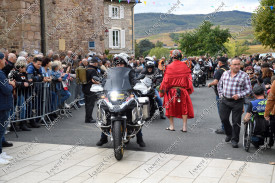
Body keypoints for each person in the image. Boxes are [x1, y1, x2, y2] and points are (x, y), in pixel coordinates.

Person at [96, 53, 146, 147]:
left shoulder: (130, 71)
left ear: (125, 64)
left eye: (121, 64)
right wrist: (101, 85)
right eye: (117, 64)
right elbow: (105, 80)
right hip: (113, 94)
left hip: (127, 93)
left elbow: (134, 79)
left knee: (136, 108)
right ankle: (103, 137)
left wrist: (137, 84)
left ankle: (140, 137)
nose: (119, 66)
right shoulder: (110, 72)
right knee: (105, 110)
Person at [218, 57, 252, 148]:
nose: (237, 66)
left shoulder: (244, 75)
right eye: (235, 64)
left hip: (237, 101)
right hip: (225, 100)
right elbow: (219, 85)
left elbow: (248, 90)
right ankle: (229, 134)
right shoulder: (225, 74)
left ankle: (234, 140)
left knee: (236, 122)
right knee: (224, 119)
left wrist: (239, 95)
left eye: (238, 64)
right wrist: (221, 95)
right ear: (230, 65)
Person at [159, 50, 194, 132]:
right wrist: (188, 90)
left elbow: (165, 81)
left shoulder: (168, 67)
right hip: (183, 91)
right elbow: (189, 79)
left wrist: (161, 92)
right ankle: (184, 127)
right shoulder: (185, 66)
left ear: (172, 57)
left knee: (170, 107)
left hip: (171, 91)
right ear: (180, 57)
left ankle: (172, 126)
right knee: (184, 108)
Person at [208, 57, 229, 134]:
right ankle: (228, 127)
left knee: (221, 111)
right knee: (228, 111)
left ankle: (224, 128)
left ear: (220, 63)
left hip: (221, 94)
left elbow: (216, 81)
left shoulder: (219, 71)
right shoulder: (229, 69)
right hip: (229, 93)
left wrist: (210, 84)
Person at [0, 52, 14, 164]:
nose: (5, 61)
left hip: (3, 104)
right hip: (2, 105)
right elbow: (6, 89)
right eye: (4, 59)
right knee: (0, 130)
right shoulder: (0, 74)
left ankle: (0, 152)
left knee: (2, 130)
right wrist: (11, 84)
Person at [82, 58, 100, 123]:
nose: (97, 64)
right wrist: (100, 83)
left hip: (85, 88)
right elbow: (93, 80)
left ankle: (88, 117)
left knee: (87, 104)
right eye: (97, 63)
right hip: (91, 88)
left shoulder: (86, 69)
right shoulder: (93, 70)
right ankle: (88, 119)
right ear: (95, 63)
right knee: (90, 104)